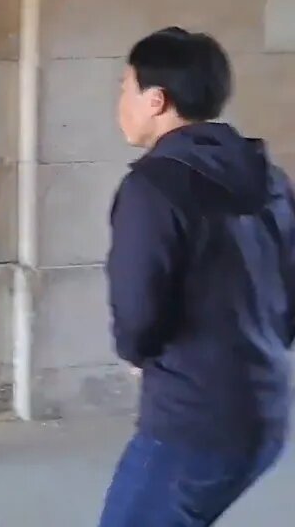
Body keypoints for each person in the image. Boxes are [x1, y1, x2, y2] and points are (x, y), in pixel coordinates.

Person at [99, 27, 295, 527]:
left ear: (156, 100)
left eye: (126, 88)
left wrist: (137, 352)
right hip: (265, 412)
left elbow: (138, 310)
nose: (120, 101)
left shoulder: (154, 187)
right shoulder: (269, 178)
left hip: (192, 420)